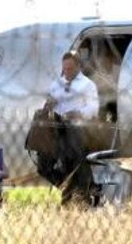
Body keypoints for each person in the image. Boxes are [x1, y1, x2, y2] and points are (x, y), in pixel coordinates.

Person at [41, 52, 100, 195]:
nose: (67, 72)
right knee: (43, 167)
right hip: (55, 131)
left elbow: (94, 108)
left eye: (70, 68)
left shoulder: (87, 85)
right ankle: (67, 187)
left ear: (79, 67)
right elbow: (47, 105)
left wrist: (78, 113)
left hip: (76, 131)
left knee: (73, 165)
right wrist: (48, 105)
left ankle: (74, 195)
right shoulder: (56, 84)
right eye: (65, 68)